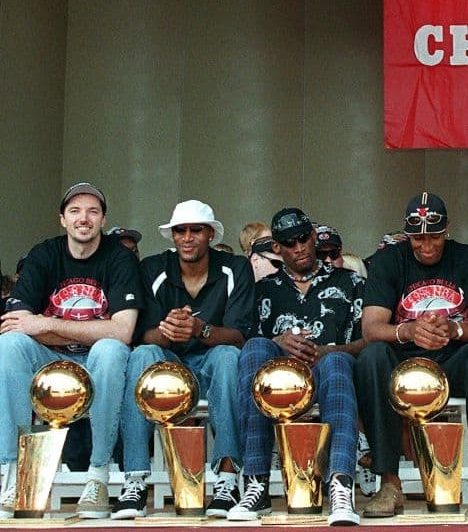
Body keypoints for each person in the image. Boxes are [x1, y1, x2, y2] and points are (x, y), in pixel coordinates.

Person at [355, 193, 468, 517]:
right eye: (418, 238)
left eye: (435, 236)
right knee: (372, 357)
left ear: (447, 228)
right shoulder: (387, 261)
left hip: (455, 360)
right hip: (404, 363)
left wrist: (455, 329)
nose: (427, 245)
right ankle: (389, 483)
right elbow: (371, 328)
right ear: (407, 234)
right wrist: (409, 330)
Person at [0, 183, 140, 519]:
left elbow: (122, 331)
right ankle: (13, 474)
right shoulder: (44, 254)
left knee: (110, 351)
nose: (84, 218)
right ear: (62, 219)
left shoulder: (119, 258)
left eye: (93, 211)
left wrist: (46, 324)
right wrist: (87, 330)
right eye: (75, 211)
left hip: (97, 361)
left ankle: (98, 476)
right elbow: (16, 324)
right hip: (49, 359)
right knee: (10, 345)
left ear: (103, 219)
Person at [114, 200, 255, 519]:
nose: (187, 238)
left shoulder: (235, 267)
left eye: (196, 230)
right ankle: (134, 481)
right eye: (180, 231)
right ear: (172, 235)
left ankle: (228, 480)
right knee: (142, 355)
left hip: (212, 364)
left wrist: (198, 328)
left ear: (210, 234)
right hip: (169, 364)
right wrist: (169, 331)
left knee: (228, 356)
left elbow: (240, 336)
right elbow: (141, 334)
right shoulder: (153, 267)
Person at [229, 208, 365, 525]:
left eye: (304, 238)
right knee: (255, 347)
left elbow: (368, 340)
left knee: (336, 363)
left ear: (314, 237)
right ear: (277, 247)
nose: (299, 247)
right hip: (279, 382)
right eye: (289, 243)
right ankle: (256, 483)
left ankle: (341, 486)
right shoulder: (263, 289)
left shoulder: (350, 282)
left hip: (331, 373)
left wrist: (329, 350)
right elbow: (244, 338)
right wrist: (277, 342)